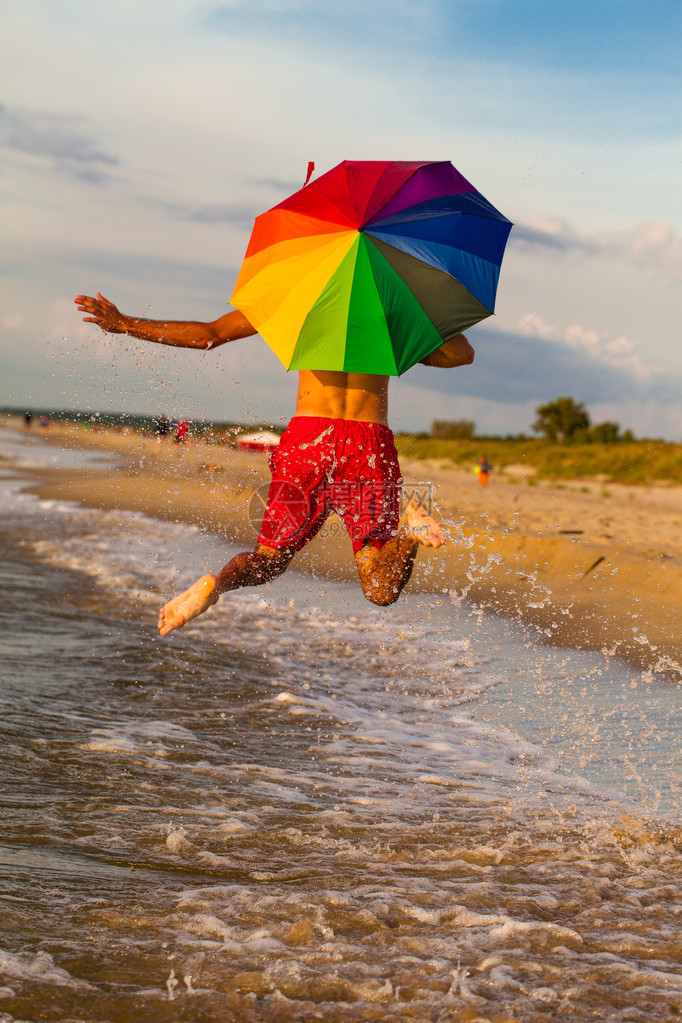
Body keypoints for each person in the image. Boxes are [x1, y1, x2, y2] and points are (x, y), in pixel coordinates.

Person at [74, 292, 474, 636]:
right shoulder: (395, 306)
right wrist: (409, 327)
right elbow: (462, 354)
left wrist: (125, 324)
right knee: (381, 589)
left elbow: (209, 335)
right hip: (366, 442)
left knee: (269, 560)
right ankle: (411, 532)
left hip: (308, 441)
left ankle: (216, 586)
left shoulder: (296, 298)